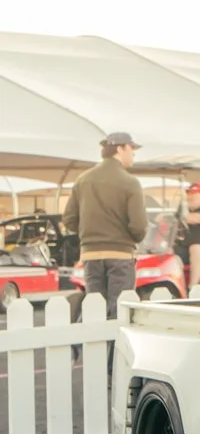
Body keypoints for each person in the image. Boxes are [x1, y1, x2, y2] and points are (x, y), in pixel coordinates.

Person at [63, 133, 147, 314]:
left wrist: (90, 233)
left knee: (94, 309)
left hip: (90, 255)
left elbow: (69, 219)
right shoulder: (130, 183)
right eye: (131, 149)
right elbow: (138, 227)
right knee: (119, 310)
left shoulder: (83, 180)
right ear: (120, 149)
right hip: (121, 256)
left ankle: (85, 342)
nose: (133, 154)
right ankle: (113, 343)